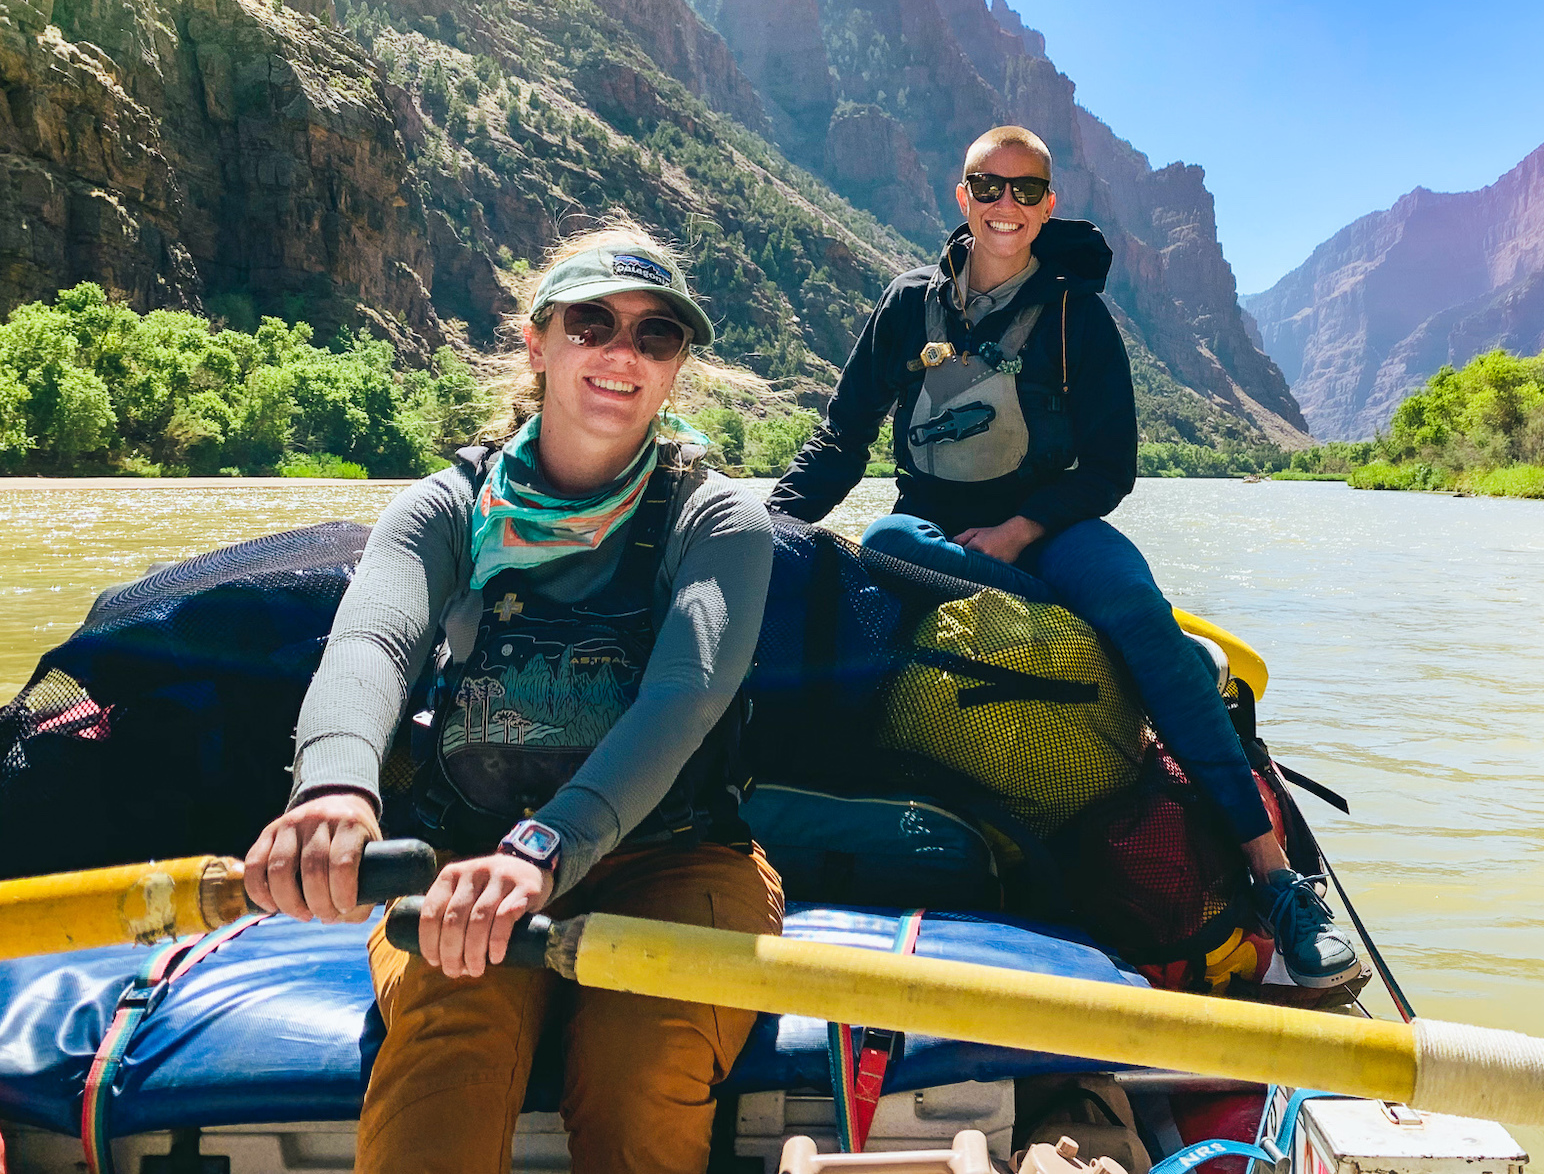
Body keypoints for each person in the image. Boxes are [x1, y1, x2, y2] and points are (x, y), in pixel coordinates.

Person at [768, 125, 1360, 989]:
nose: (1007, 206)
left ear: (1049, 205)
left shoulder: (1080, 317)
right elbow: (841, 439)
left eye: (1026, 190)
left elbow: (1112, 467)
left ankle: (1276, 879)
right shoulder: (905, 306)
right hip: (933, 537)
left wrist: (1020, 532)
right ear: (961, 195)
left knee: (1138, 614)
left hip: (1055, 532)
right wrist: (768, 523)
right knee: (888, 543)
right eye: (989, 187)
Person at [244, 225, 781, 1174]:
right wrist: (332, 787)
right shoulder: (443, 509)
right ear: (538, 343)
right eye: (593, 323)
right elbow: (373, 641)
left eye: (657, 335)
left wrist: (548, 848)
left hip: (673, 858)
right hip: (466, 858)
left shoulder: (717, 517)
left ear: (676, 367)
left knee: (639, 1081)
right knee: (443, 1070)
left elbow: (686, 697)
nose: (624, 352)